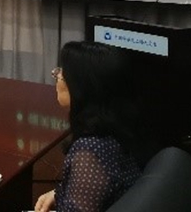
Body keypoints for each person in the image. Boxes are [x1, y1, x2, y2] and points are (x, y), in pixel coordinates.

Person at [35, 41, 149, 212]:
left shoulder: (90, 152)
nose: (57, 75)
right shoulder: (118, 126)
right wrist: (59, 193)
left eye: (64, 73)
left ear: (82, 87)